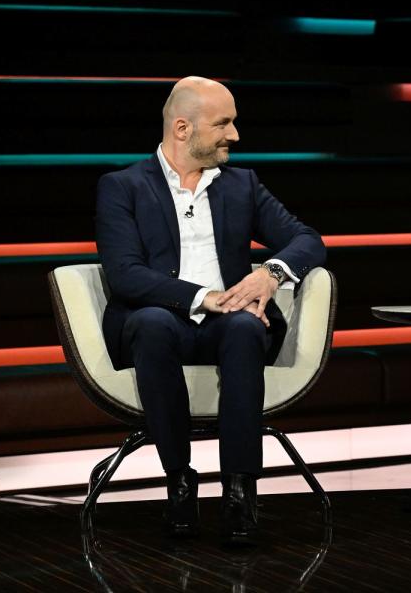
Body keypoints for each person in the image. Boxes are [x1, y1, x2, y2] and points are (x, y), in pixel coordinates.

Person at [96, 76, 326, 544]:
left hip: (230, 324)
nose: (235, 134)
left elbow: (308, 240)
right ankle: (179, 483)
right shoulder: (122, 186)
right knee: (154, 323)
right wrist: (206, 297)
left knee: (244, 328)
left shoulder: (241, 185)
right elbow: (125, 274)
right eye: (223, 123)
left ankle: (240, 492)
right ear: (182, 129)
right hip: (160, 320)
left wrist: (271, 275)